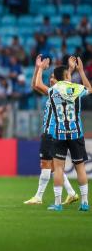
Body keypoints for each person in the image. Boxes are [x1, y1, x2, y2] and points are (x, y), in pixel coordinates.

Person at [34, 56, 91, 211]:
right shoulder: (77, 89)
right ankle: (85, 203)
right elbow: (90, 89)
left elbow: (39, 84)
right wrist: (80, 70)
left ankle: (58, 204)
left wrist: (40, 68)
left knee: (58, 168)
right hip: (76, 133)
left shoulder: (52, 91)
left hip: (59, 133)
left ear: (56, 78)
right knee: (80, 167)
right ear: (68, 76)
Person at [24, 55, 78, 205]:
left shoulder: (57, 92)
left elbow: (38, 84)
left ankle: (39, 197)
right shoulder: (57, 92)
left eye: (53, 77)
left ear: (60, 80)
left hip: (51, 132)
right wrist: (37, 68)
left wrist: (40, 68)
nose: (51, 79)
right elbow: (35, 85)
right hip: (55, 133)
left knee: (45, 164)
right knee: (54, 166)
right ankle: (72, 193)